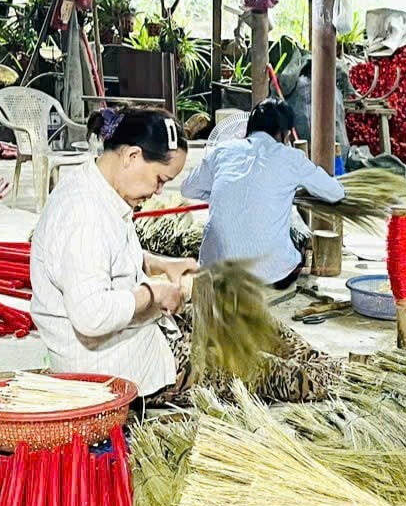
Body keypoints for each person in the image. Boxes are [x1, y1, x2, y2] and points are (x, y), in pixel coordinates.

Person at [31, 107, 194, 397]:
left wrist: (160, 264)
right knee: (243, 362)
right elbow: (91, 316)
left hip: (126, 348)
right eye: (160, 179)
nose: (158, 192)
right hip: (110, 371)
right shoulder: (84, 213)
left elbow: (108, 256)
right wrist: (153, 294)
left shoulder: (102, 190)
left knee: (224, 319)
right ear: (132, 156)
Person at [181, 98, 344, 289]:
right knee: (295, 235)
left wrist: (223, 194)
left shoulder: (223, 151)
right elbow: (335, 193)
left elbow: (188, 188)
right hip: (272, 276)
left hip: (215, 270)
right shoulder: (291, 157)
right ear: (284, 133)